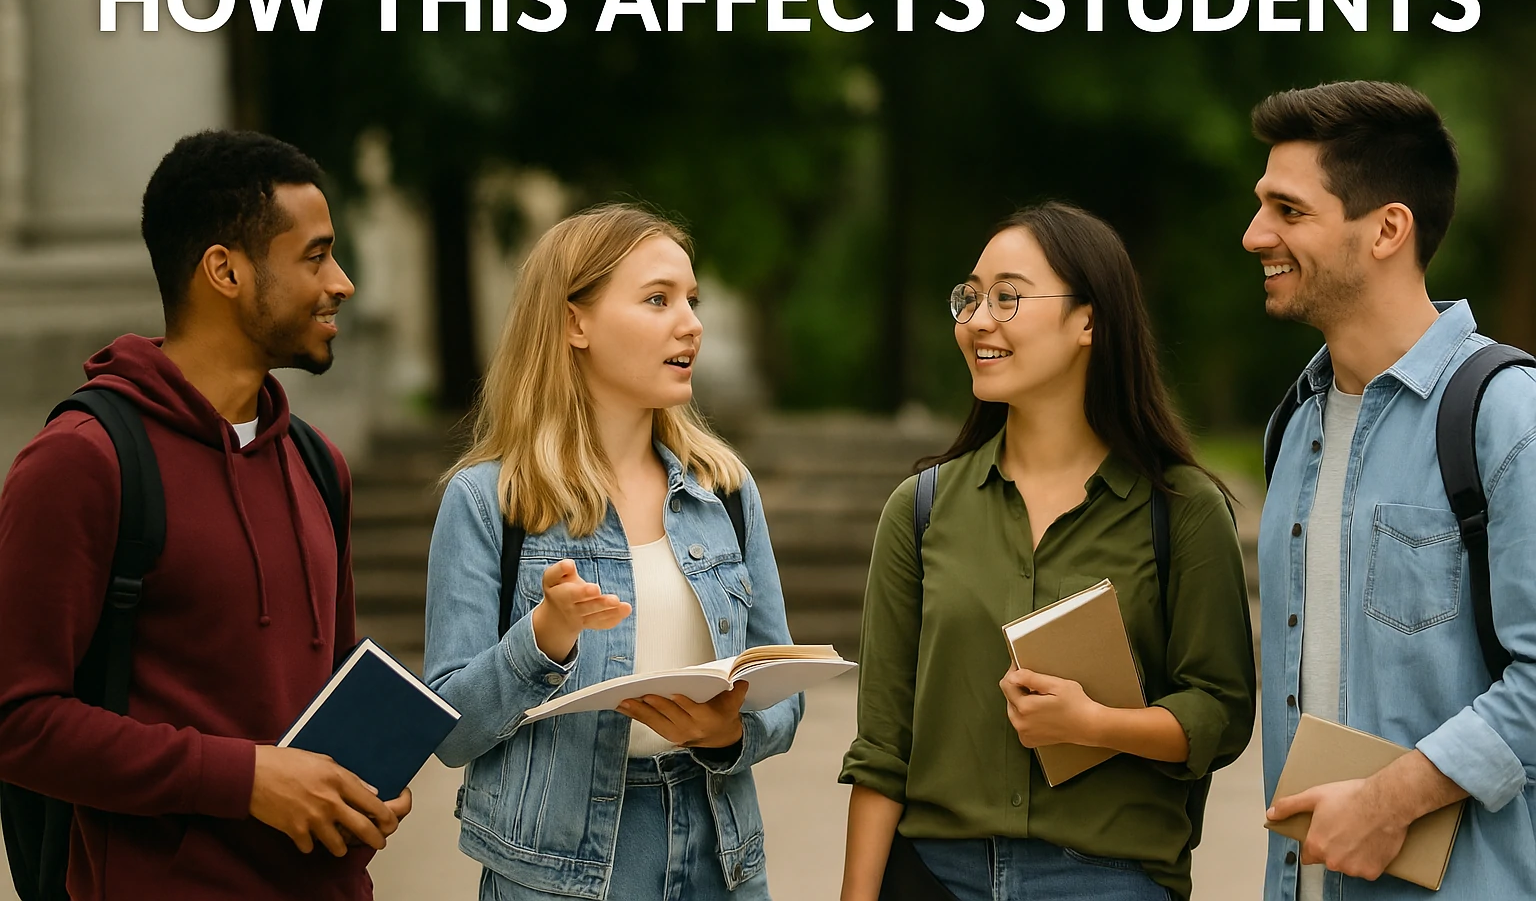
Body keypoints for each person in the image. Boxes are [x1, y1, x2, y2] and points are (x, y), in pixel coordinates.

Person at [0, 130, 410, 900]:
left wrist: (361, 788)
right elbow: (17, 721)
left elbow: (330, 694)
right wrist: (246, 777)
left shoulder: (319, 466)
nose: (343, 283)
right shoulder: (82, 462)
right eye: (316, 256)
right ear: (225, 269)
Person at [839, 202, 1256, 901]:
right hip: (937, 875)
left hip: (1108, 880)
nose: (976, 321)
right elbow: (883, 748)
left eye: (1007, 297)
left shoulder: (1180, 510)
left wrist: (1098, 726)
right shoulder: (919, 510)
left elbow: (1222, 714)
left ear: (1089, 321)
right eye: (969, 298)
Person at [423, 203, 801, 900]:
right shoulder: (487, 501)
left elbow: (782, 699)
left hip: (720, 857)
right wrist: (543, 636)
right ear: (575, 322)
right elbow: (447, 730)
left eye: (692, 300)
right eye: (658, 300)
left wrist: (726, 733)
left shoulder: (725, 489)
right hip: (553, 872)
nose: (690, 323)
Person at [1247, 81, 1536, 899]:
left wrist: (1390, 801)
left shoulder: (1506, 415)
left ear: (1387, 230)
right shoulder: (1293, 427)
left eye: (1288, 210)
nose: (1254, 234)